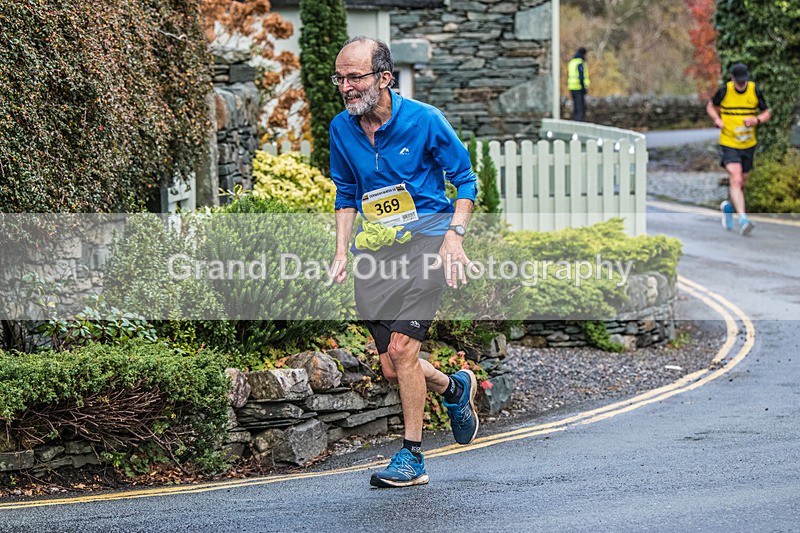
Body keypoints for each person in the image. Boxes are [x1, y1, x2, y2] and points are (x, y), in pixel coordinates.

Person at [328, 36, 480, 488]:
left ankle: (412, 457)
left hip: (426, 245)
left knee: (402, 351)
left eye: (355, 77)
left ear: (384, 78)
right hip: (374, 254)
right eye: (340, 78)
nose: (346, 86)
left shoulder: (426, 121)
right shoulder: (341, 128)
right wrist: (341, 249)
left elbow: (466, 181)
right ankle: (455, 389)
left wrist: (455, 235)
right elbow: (345, 193)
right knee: (393, 367)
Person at [706, 62, 771, 236]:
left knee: (742, 181)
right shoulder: (724, 91)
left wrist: (756, 120)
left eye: (744, 81)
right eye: (739, 81)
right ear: (733, 78)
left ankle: (728, 207)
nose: (742, 85)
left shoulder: (754, 90)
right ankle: (743, 219)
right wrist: (717, 119)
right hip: (729, 142)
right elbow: (710, 106)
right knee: (735, 177)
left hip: (748, 143)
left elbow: (766, 113)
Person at [567, 47, 590, 121]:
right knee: (580, 107)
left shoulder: (572, 62)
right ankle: (580, 123)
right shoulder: (580, 62)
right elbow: (581, 76)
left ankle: (575, 121)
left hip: (571, 86)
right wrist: (583, 87)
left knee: (575, 106)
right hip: (578, 87)